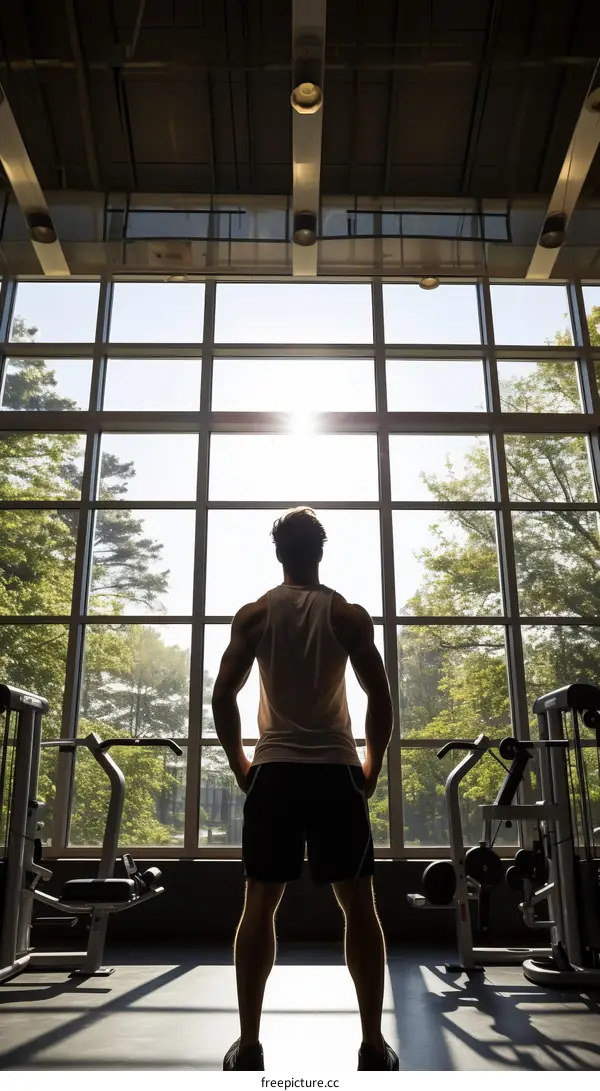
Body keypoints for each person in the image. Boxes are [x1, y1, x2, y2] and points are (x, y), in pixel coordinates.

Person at [211, 507, 398, 1072]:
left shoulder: (255, 615)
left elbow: (223, 697)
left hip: (276, 773)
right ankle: (371, 1045)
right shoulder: (346, 614)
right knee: (359, 907)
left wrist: (246, 765)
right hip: (335, 772)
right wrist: (372, 766)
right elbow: (380, 697)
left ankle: (248, 1047)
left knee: (259, 906)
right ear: (320, 550)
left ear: (279, 553)